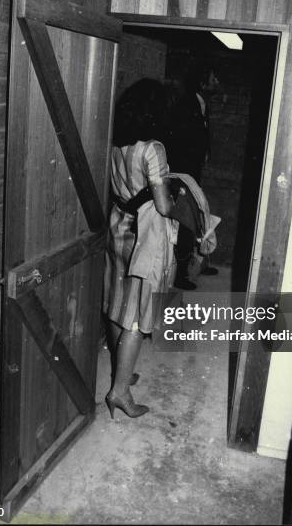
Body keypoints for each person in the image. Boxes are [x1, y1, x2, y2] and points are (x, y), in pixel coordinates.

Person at [103, 78, 177, 419]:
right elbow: (162, 206)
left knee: (117, 303)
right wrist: (178, 201)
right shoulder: (153, 148)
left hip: (117, 227)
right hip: (142, 237)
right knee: (135, 314)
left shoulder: (116, 144)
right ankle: (120, 392)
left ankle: (121, 369)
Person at [165, 65, 219, 290]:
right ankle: (180, 275)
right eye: (213, 78)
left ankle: (198, 262)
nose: (217, 83)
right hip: (184, 174)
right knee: (186, 221)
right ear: (202, 83)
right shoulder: (187, 106)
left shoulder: (201, 105)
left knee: (197, 217)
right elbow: (180, 143)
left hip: (193, 173)